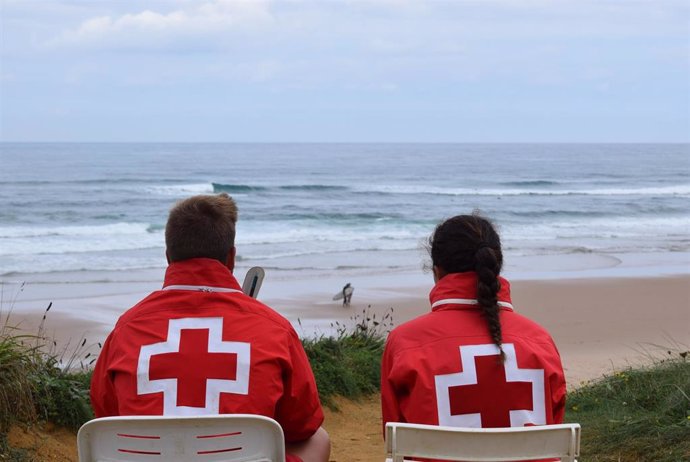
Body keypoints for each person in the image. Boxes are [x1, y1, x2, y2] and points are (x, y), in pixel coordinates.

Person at [90, 193, 330, 462]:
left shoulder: (127, 328)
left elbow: (107, 417)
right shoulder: (275, 329)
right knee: (317, 439)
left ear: (169, 257)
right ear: (230, 258)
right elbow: (302, 424)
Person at [381, 214, 566, 432]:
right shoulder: (539, 341)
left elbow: (394, 434)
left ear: (437, 271)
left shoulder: (405, 343)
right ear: (496, 267)